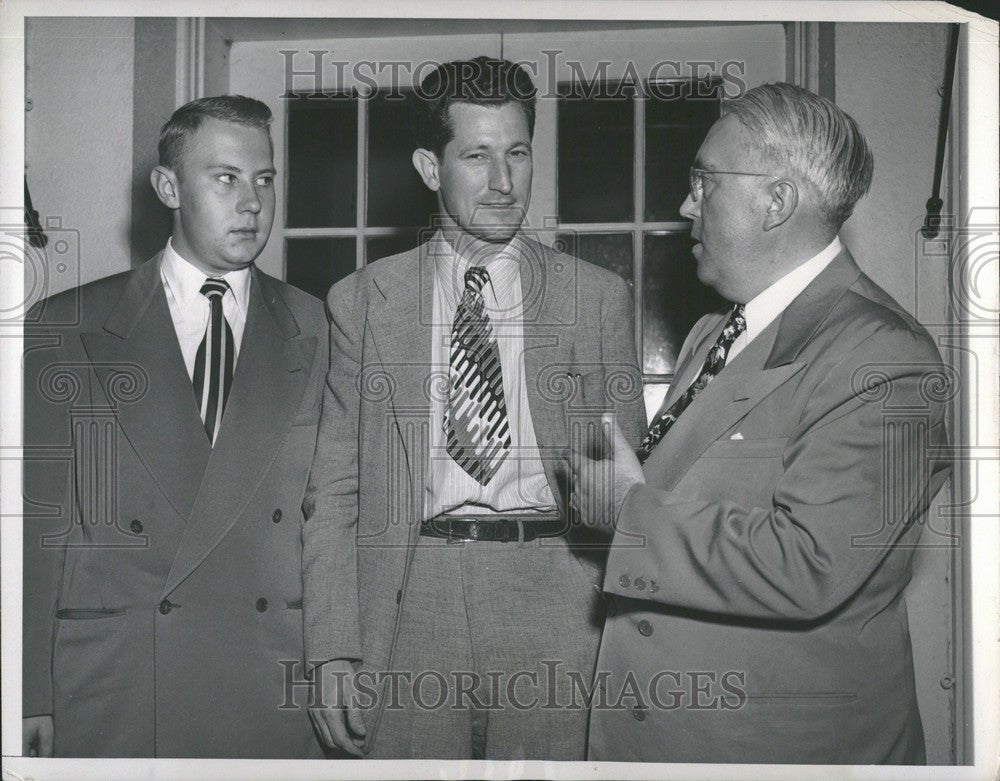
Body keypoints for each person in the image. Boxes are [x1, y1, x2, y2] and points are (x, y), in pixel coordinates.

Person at [572, 82, 951, 764]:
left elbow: (808, 562)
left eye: (703, 181)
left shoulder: (886, 356)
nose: (686, 204)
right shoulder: (712, 334)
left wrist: (624, 510)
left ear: (776, 201)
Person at [302, 56, 647, 760]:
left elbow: (629, 491)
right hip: (410, 594)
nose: (503, 181)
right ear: (431, 167)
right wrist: (332, 647)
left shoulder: (597, 298)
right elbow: (335, 489)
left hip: (558, 593)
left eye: (517, 152)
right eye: (477, 154)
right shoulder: (363, 301)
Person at [21, 95, 328, 758]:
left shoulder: (319, 326)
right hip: (120, 683)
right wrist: (25, 693)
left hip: (268, 680)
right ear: (168, 186)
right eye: (225, 178)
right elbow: (29, 528)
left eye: (264, 179)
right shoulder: (66, 326)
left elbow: (335, 521)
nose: (251, 202)